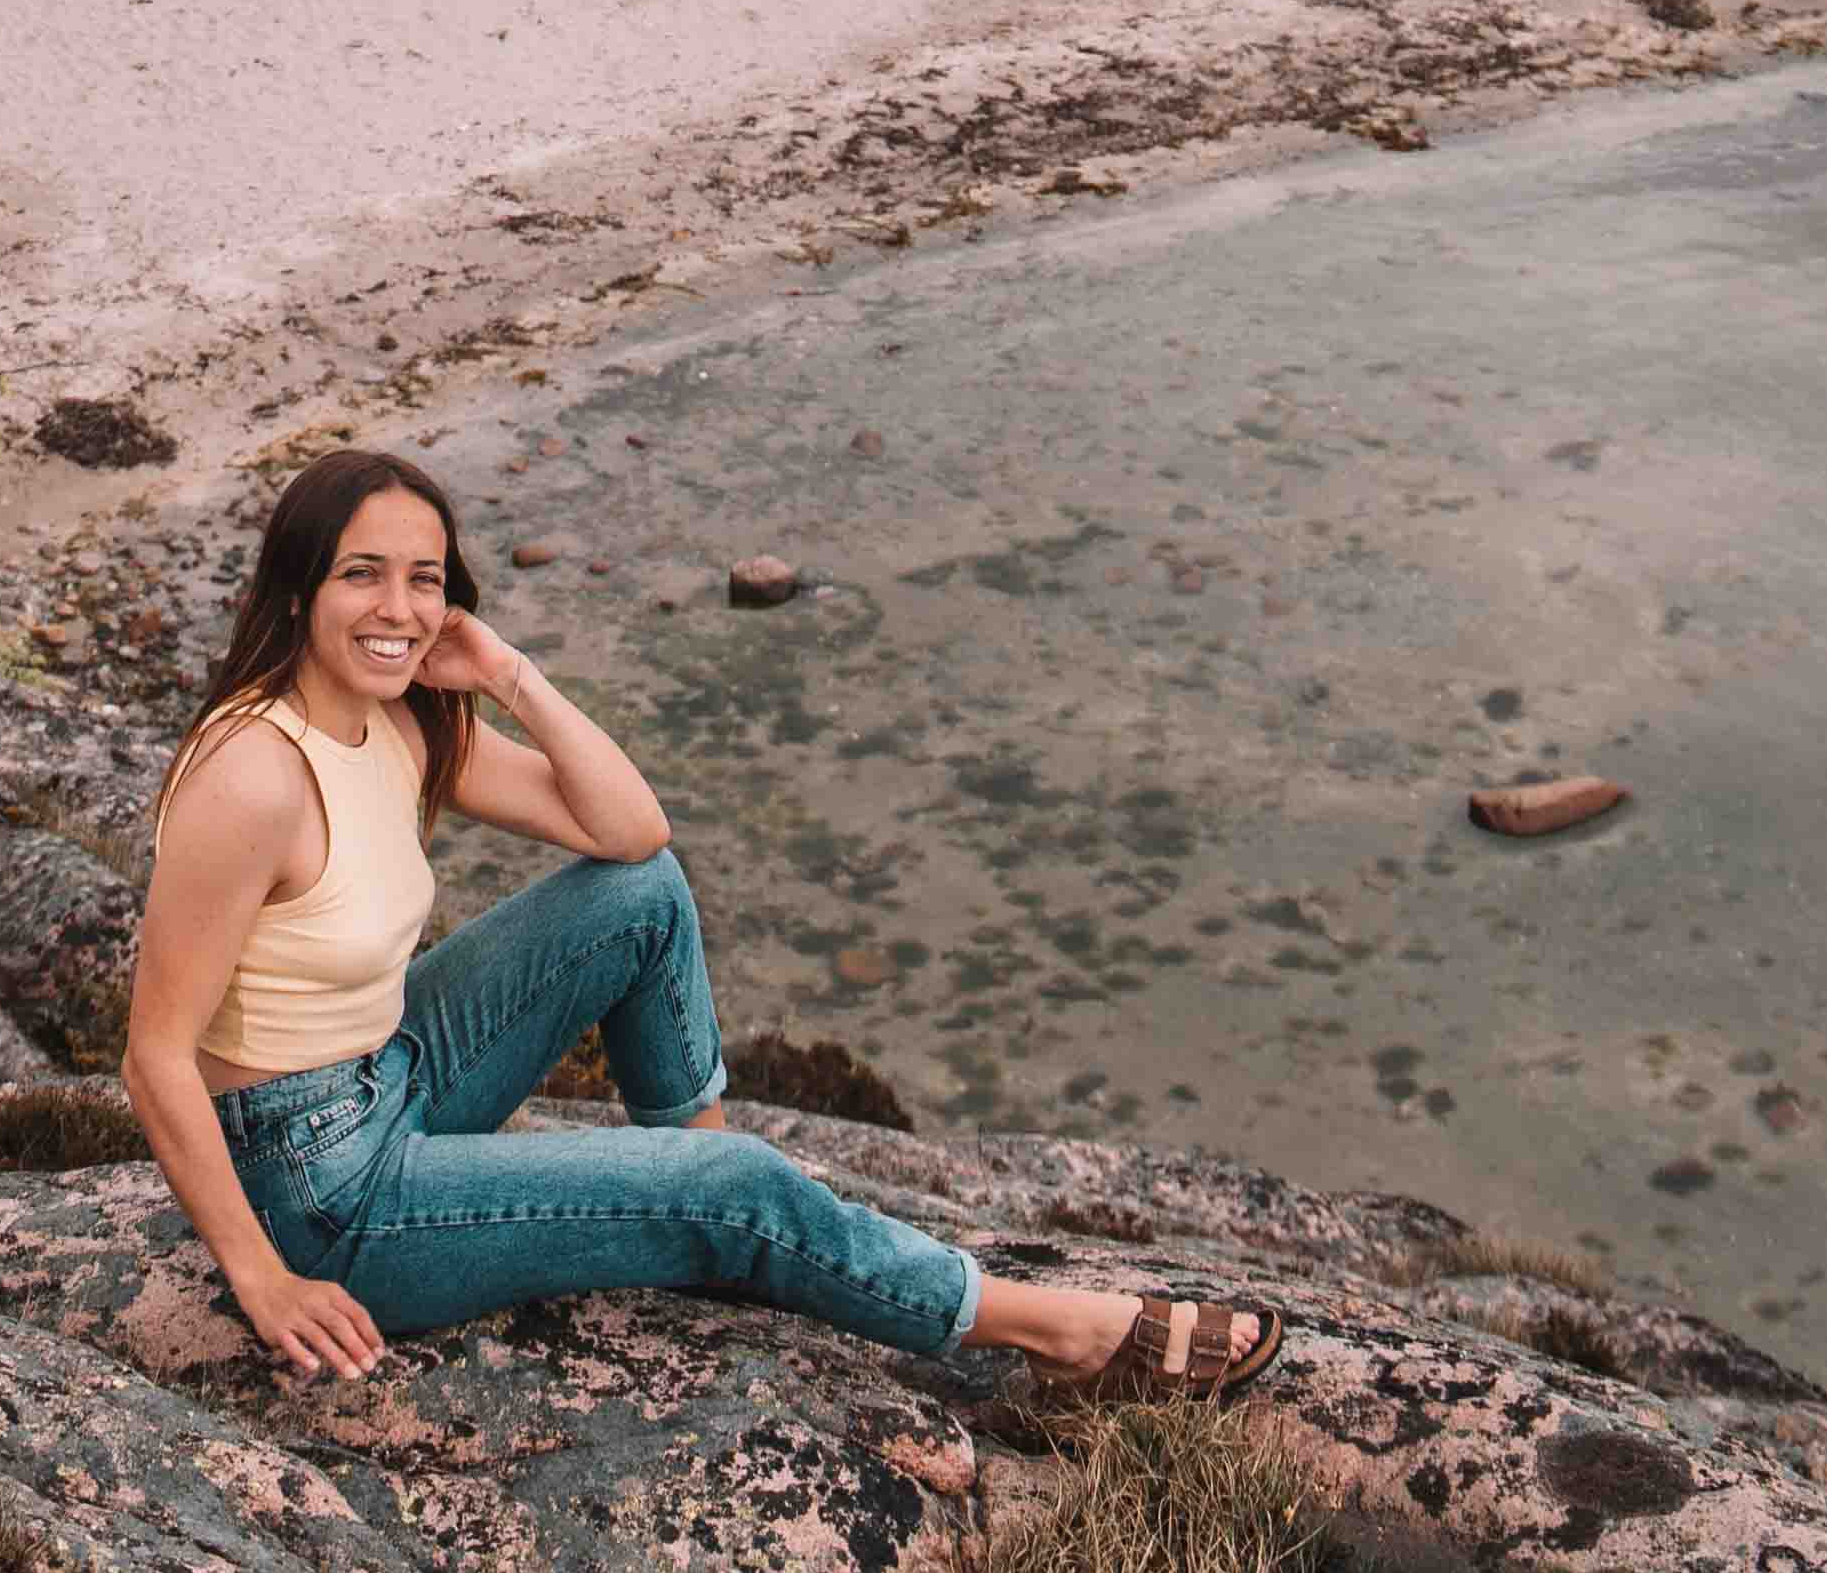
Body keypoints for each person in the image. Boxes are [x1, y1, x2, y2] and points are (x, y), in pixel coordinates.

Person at [123, 442, 1286, 1395]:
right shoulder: (254, 776)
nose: (398, 608)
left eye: (423, 579)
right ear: (297, 588)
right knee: (738, 1195)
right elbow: (155, 1055)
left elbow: (630, 835)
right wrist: (262, 1276)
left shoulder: (404, 719)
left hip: (392, 1076)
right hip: (322, 1194)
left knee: (639, 900)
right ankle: (1055, 1334)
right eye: (361, 575)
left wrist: (509, 673)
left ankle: (705, 1177)